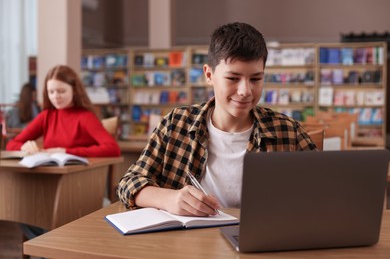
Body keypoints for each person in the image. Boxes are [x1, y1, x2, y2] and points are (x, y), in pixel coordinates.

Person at [117, 22, 317, 217]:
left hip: (264, 244)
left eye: (256, 79)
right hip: (187, 246)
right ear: (209, 74)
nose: (245, 91)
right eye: (233, 78)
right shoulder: (176, 124)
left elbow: (325, 190)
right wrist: (169, 199)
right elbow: (128, 184)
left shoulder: (288, 131)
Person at [6, 65, 121, 157]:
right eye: (51, 92)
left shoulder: (85, 117)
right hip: (48, 174)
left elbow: (113, 148)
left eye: (61, 91)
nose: (55, 96)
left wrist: (66, 151)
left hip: (78, 177)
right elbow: (11, 144)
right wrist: (24, 147)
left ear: (74, 91)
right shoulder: (46, 116)